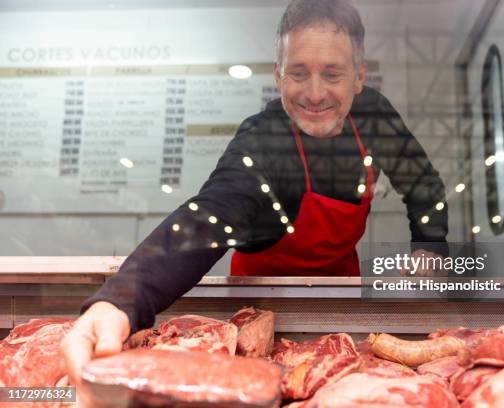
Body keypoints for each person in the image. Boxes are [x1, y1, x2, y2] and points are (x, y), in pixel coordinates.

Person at [61, 0, 448, 384]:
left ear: (358, 77)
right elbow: (208, 217)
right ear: (278, 75)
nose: (315, 94)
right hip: (259, 302)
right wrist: (120, 301)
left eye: (332, 75)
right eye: (298, 73)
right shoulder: (263, 138)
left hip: (340, 291)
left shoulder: (373, 116)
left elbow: (422, 183)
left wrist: (430, 244)